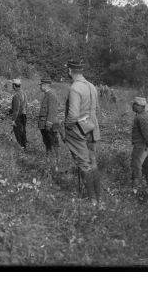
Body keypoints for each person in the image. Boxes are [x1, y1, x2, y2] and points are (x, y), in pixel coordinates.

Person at [62, 60, 102, 206]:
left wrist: (66, 128)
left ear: (70, 71)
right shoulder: (91, 86)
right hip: (92, 127)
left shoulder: (75, 88)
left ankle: (92, 200)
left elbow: (73, 115)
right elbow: (97, 109)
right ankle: (98, 197)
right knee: (93, 162)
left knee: (84, 164)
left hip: (78, 129)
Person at [38, 77, 60, 172]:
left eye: (41, 85)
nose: (40, 87)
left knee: (54, 144)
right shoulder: (47, 95)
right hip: (45, 125)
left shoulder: (51, 95)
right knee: (47, 144)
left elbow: (52, 111)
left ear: (45, 85)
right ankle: (48, 162)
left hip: (50, 125)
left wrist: (48, 124)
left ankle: (56, 164)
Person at [10, 78, 28, 148]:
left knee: (18, 132)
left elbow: (16, 109)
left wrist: (13, 120)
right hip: (24, 114)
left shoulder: (16, 95)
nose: (12, 86)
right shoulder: (24, 93)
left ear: (14, 85)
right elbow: (26, 105)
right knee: (23, 131)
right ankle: (24, 146)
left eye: (12, 85)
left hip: (18, 116)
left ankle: (22, 147)